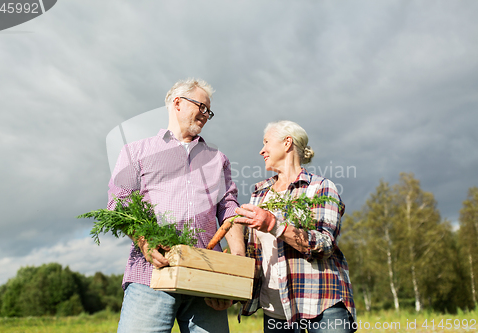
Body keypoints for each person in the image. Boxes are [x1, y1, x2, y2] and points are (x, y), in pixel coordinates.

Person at [108, 78, 245, 333]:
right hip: (150, 276)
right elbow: (119, 206)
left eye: (209, 111)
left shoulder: (218, 159)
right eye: (201, 106)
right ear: (177, 103)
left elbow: (229, 210)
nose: (205, 115)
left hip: (205, 281)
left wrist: (236, 269)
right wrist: (145, 242)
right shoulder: (135, 152)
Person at [234, 120, 356, 333]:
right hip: (276, 310)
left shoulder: (320, 187)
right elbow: (251, 253)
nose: (261, 150)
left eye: (266, 142)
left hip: (321, 304)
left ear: (287, 143)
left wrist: (273, 224)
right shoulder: (259, 194)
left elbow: (325, 244)